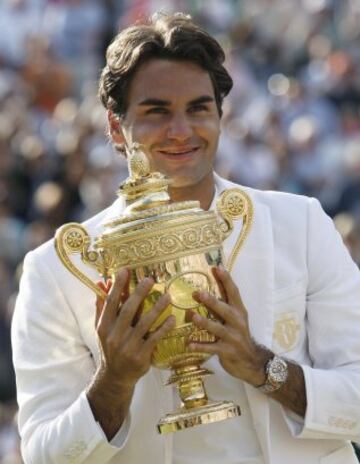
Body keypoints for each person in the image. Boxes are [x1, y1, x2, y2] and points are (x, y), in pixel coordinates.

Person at [11, 12, 360, 464]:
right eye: (157, 112)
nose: (181, 131)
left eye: (198, 108)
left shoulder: (300, 224)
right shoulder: (59, 268)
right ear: (116, 128)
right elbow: (42, 454)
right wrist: (113, 382)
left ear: (220, 116)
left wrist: (262, 367)